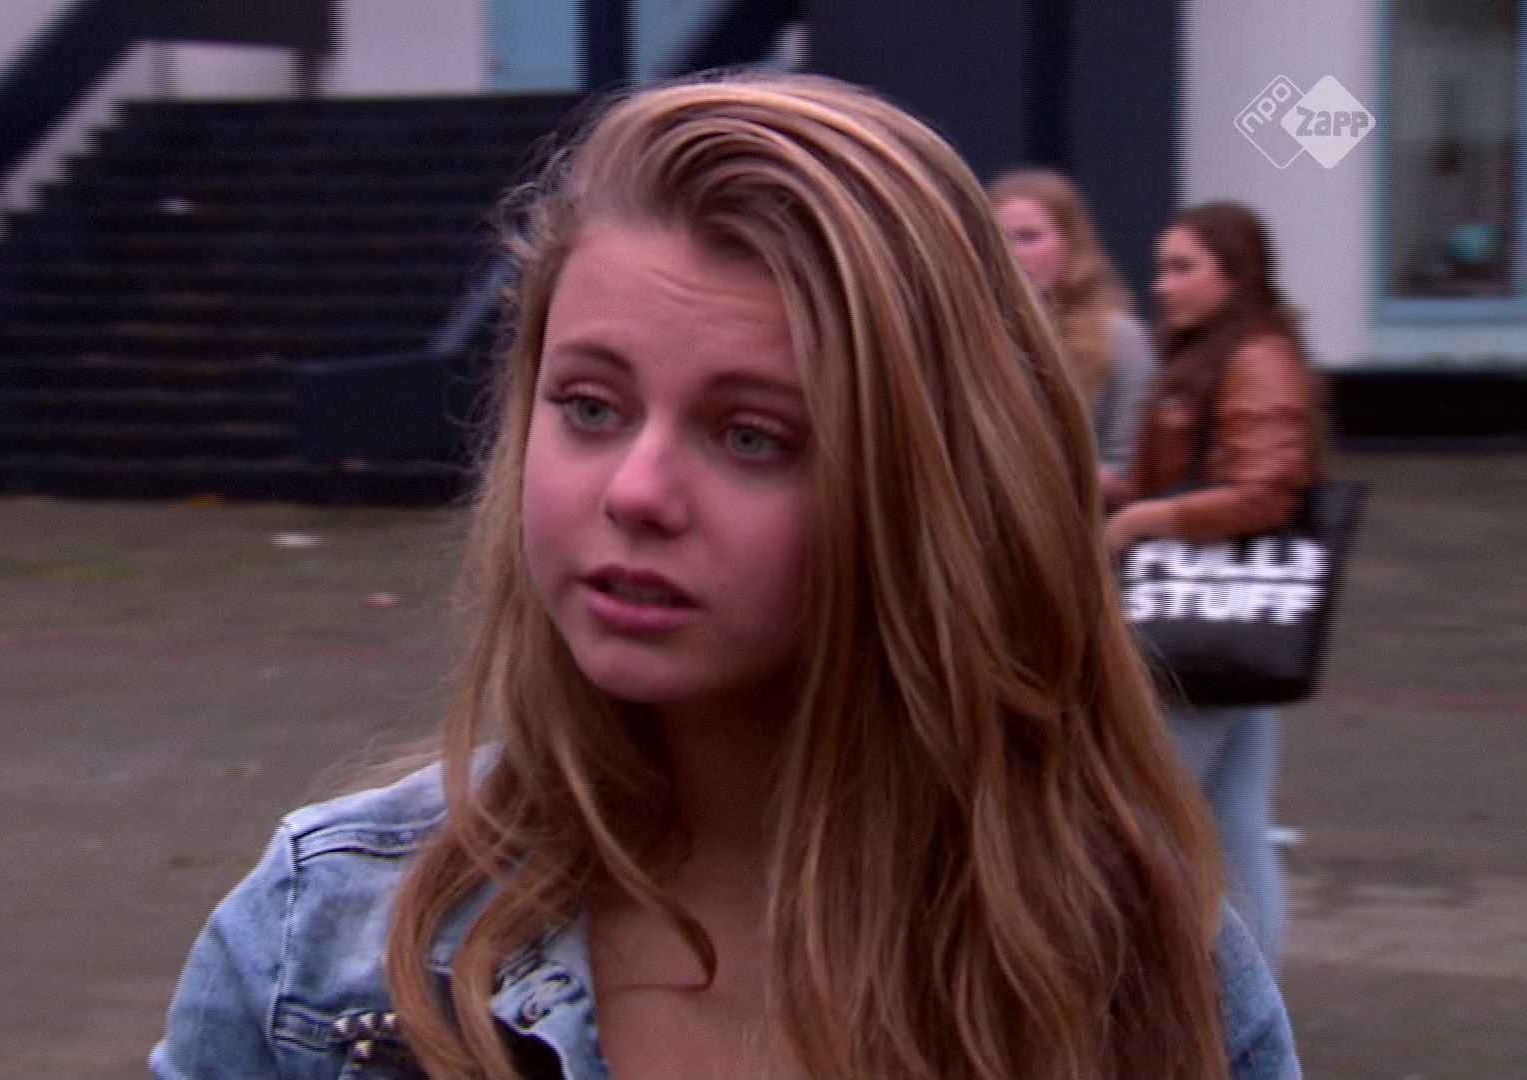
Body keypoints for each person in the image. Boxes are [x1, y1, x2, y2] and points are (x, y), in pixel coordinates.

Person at [154, 74, 1299, 1080]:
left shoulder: (1125, 959)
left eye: (752, 435)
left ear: (927, 491)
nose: (637, 491)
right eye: (590, 406)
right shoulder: (323, 948)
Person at [1104, 201, 1325, 969]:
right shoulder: (1207, 355)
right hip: (1225, 625)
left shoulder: (1256, 358)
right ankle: (1251, 1000)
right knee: (1233, 820)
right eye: (1162, 266)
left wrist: (1146, 520)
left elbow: (1265, 491)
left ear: (1234, 274)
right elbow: (1183, 473)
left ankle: (1165, 991)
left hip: (1208, 618)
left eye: (1183, 267)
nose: (1162, 284)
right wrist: (1112, 486)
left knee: (1144, 812)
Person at [990, 168, 1157, 477]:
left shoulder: (1120, 338)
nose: (1013, 254)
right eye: (1001, 240)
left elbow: (1128, 467)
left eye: (1029, 237)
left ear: (1071, 244)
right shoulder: (983, 332)